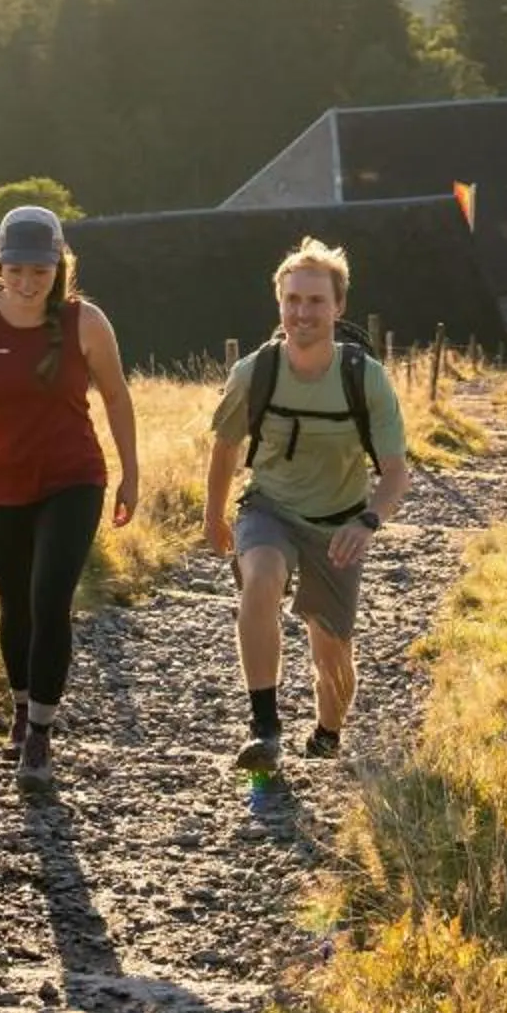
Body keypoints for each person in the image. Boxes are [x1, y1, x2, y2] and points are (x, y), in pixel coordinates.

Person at [0, 204, 140, 788]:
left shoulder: (86, 322)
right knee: (15, 604)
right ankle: (22, 708)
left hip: (74, 479)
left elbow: (118, 400)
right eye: (15, 270)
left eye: (40, 272)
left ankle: (41, 739)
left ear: (59, 267)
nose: (27, 283)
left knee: (50, 601)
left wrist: (131, 473)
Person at [204, 237, 410, 772]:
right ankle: (265, 728)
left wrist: (367, 521)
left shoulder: (363, 378)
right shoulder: (255, 372)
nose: (303, 312)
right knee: (261, 579)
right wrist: (213, 515)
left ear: (338, 307)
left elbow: (394, 474)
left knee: (332, 656)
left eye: (316, 301)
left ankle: (327, 734)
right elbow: (225, 446)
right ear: (279, 304)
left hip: (340, 523)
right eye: (292, 300)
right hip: (268, 508)